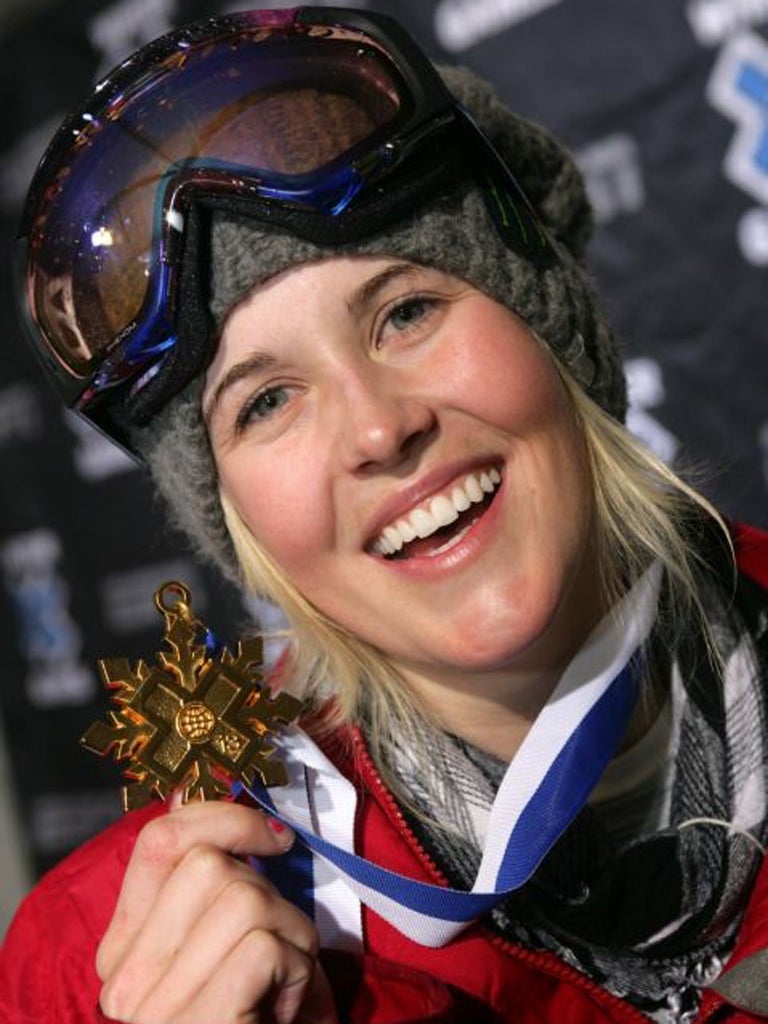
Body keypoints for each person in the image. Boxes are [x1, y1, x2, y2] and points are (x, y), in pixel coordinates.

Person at [2, 6, 768, 1023]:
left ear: (555, 330)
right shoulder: (94, 966)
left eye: (405, 311)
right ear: (238, 525)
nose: (377, 430)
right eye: (265, 401)